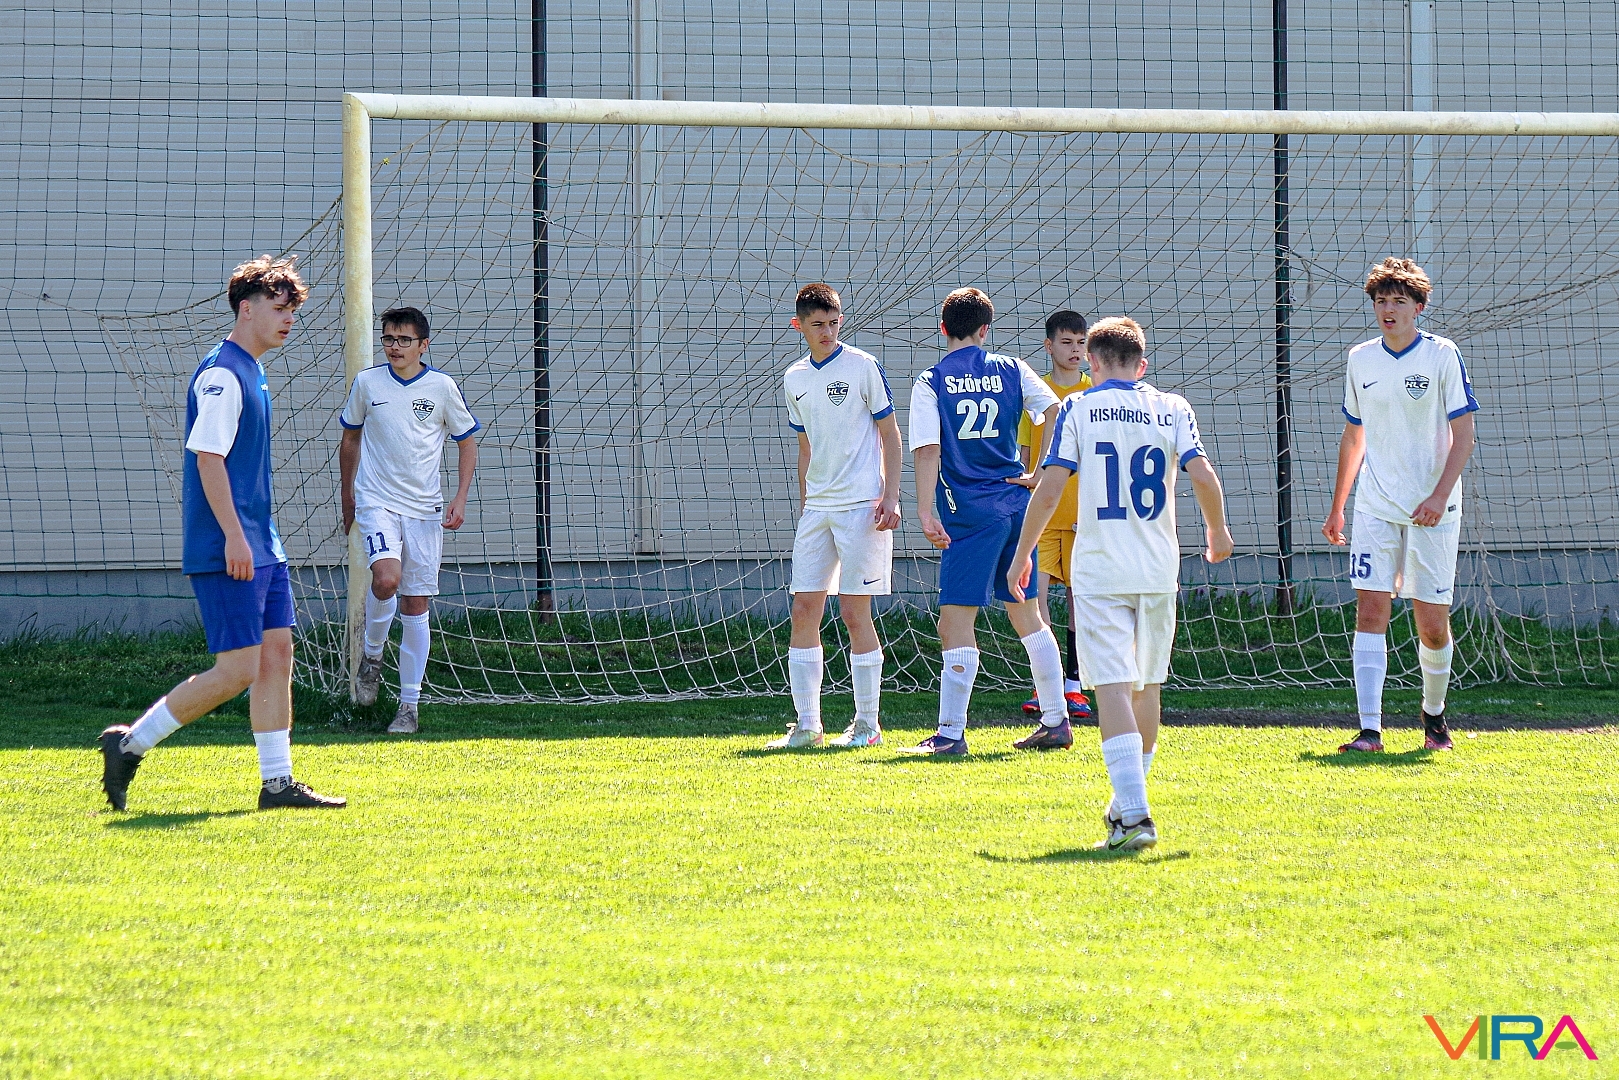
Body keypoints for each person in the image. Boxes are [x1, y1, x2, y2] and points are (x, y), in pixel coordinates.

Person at [99, 255, 345, 811]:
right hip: (228, 546)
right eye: (278, 309)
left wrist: (254, 538)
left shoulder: (252, 370)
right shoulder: (222, 375)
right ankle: (130, 744)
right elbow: (207, 459)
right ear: (246, 309)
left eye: (292, 311)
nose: (288, 319)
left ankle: (277, 784)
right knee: (237, 670)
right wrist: (234, 536)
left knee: (276, 656)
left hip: (262, 543)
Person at [1009, 316, 1233, 851]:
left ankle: (1133, 813)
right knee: (1146, 686)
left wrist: (1022, 555)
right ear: (1142, 364)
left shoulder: (1078, 408)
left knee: (1111, 684)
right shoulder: (1173, 407)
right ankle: (1126, 806)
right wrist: (1218, 531)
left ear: (1092, 362)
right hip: (1157, 566)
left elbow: (1049, 487)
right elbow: (1202, 474)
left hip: (1102, 568)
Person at [1322, 258, 1477, 753]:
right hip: (1375, 505)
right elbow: (1354, 436)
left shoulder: (1442, 355)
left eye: (1399, 301)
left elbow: (1464, 436)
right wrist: (1338, 506)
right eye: (1381, 301)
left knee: (1431, 626)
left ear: (1419, 307)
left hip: (1433, 510)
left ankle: (1433, 714)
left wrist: (1438, 495)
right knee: (1370, 610)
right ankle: (1370, 730)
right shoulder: (1360, 359)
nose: (1388, 310)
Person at [902, 287, 1066, 755]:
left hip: (970, 514)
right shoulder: (1012, 367)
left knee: (955, 620)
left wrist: (925, 510)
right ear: (985, 330)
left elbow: (928, 449)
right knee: (1027, 614)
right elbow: (1054, 408)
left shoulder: (931, 380)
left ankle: (950, 734)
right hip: (1017, 507)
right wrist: (1041, 471)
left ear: (942, 329)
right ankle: (1056, 721)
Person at [768, 284, 902, 749]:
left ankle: (867, 725)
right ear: (799, 326)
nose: (827, 331)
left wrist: (891, 495)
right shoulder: (794, 377)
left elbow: (890, 434)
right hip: (818, 510)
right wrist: (806, 501)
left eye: (833, 322)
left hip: (863, 506)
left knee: (852, 612)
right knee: (803, 610)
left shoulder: (863, 366)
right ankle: (807, 726)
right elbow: (805, 446)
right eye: (817, 324)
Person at [340, 306, 480, 734]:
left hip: (424, 510)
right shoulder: (367, 383)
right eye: (388, 339)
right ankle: (373, 654)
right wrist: (347, 496)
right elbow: (350, 439)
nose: (394, 347)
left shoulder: (442, 387)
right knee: (386, 579)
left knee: (416, 604)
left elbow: (467, 442)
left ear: (423, 345)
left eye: (404, 340)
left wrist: (460, 497)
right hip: (377, 501)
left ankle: (408, 707)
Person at [1012, 309, 1095, 747]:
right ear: (1049, 346)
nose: (1075, 350)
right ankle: (1047, 685)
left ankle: (1075, 685)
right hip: (1043, 518)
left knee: (1081, 601)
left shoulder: (1094, 394)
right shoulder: (1037, 397)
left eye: (1081, 343)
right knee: (1036, 599)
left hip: (1084, 517)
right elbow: (1027, 459)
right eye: (1066, 342)